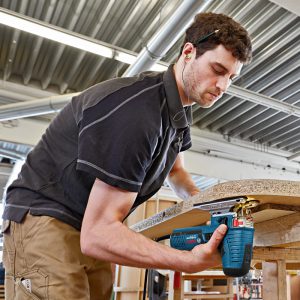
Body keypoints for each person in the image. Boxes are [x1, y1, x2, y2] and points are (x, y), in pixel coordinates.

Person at [2, 12, 252, 300]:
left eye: (231, 77)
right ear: (188, 52)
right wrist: (188, 261)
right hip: (46, 217)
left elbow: (175, 171)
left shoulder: (178, 111)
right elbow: (98, 236)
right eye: (218, 70)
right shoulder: (139, 113)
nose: (223, 87)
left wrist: (209, 206)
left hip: (89, 222)